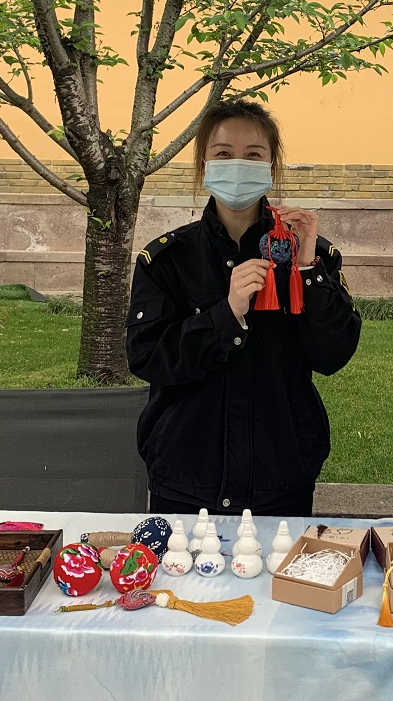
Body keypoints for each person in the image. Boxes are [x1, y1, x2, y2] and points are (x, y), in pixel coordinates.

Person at [127, 100, 361, 517]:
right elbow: (148, 357)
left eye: (253, 154)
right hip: (186, 476)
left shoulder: (309, 255)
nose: (238, 164)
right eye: (223, 153)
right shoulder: (167, 259)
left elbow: (333, 354)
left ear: (272, 165)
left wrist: (307, 270)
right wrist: (226, 314)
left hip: (280, 475)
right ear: (203, 164)